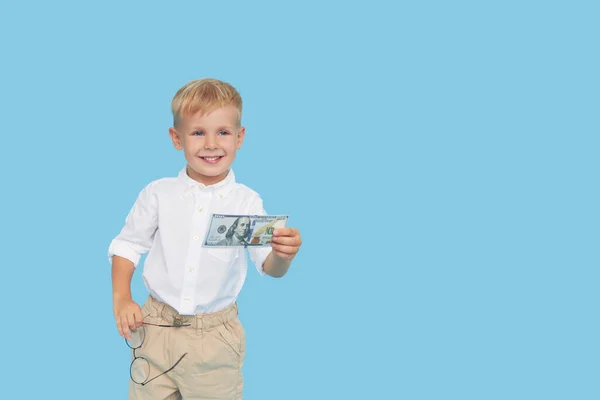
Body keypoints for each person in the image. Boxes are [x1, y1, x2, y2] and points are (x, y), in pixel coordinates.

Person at [108, 78, 303, 400]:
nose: (211, 144)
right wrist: (121, 298)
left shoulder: (247, 202)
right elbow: (127, 245)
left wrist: (283, 255)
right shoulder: (158, 194)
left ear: (239, 137)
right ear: (176, 138)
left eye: (223, 132)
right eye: (198, 132)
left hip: (214, 340)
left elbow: (269, 267)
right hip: (154, 328)